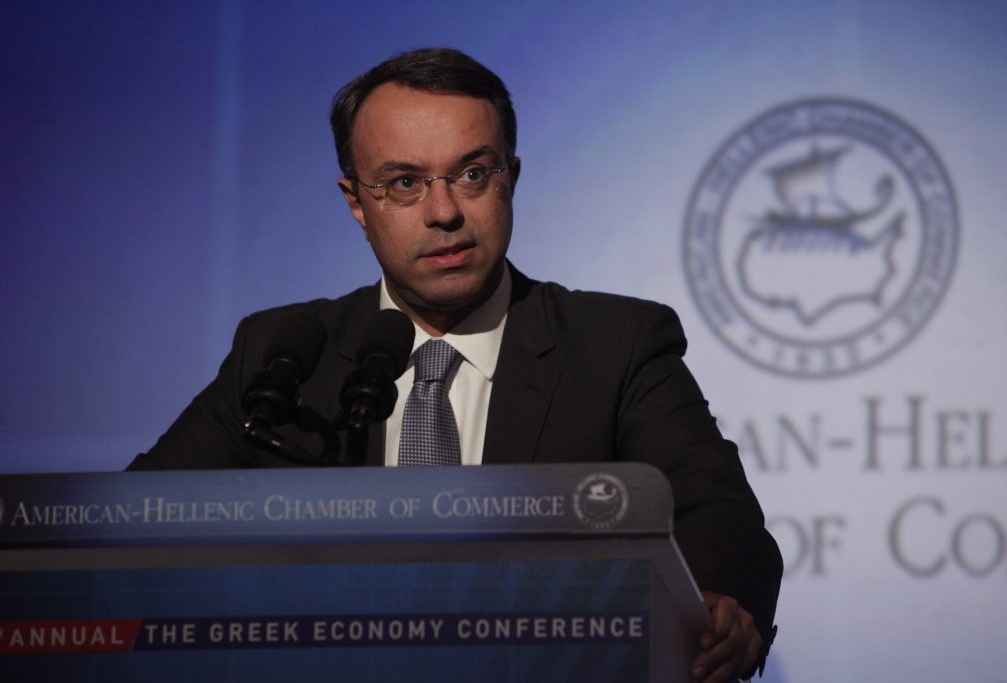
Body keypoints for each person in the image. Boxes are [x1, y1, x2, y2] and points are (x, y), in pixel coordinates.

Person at [128, 48, 781, 682]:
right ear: (357, 203)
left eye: (472, 174)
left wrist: (717, 600)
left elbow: (716, 511)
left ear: (511, 178)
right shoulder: (284, 355)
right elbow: (132, 525)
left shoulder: (615, 344)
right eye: (404, 183)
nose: (444, 213)